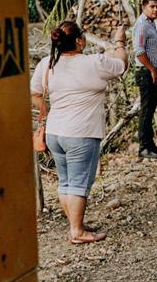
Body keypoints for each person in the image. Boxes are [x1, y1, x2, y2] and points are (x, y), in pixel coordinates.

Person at [29, 21, 127, 244]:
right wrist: (120, 39)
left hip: (55, 132)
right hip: (81, 132)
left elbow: (35, 93)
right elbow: (122, 64)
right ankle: (77, 231)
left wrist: (49, 111)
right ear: (80, 41)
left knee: (65, 182)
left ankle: (76, 224)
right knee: (79, 184)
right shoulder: (94, 62)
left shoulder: (47, 64)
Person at [133, 0, 157, 159]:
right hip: (146, 72)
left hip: (153, 71)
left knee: (151, 109)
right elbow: (139, 51)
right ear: (144, 7)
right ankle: (143, 147)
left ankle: (151, 145)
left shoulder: (151, 24)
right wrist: (153, 70)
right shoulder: (141, 25)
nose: (156, 10)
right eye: (152, 6)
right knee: (146, 110)